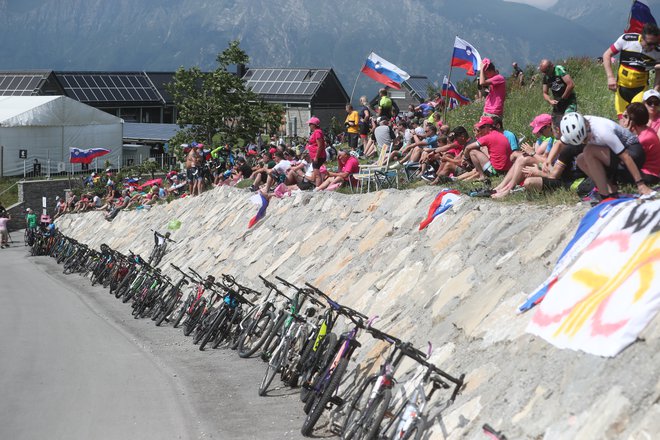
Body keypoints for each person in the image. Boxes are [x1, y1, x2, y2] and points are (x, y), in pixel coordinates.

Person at [565, 112, 652, 199]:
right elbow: (560, 144)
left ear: (587, 126)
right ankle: (611, 191)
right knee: (581, 159)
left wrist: (640, 184)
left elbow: (626, 156)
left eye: (585, 139)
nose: (584, 142)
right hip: (615, 155)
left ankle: (604, 195)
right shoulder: (579, 124)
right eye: (581, 142)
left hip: (633, 153)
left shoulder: (603, 131)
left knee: (588, 150)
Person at [603, 23, 660, 118]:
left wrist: (655, 91)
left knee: (634, 118)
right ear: (642, 38)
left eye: (655, 43)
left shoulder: (657, 51)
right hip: (621, 89)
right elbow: (606, 55)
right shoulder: (626, 39)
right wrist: (610, 77)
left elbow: (659, 72)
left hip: (640, 89)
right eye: (649, 44)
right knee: (623, 121)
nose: (652, 47)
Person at [462, 116, 512, 181]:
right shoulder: (500, 134)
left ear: (489, 127)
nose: (480, 130)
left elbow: (468, 148)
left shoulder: (488, 137)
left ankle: (482, 176)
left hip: (495, 172)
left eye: (482, 127)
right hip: (506, 171)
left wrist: (465, 159)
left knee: (473, 151)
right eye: (479, 128)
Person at [622, 103, 660, 185]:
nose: (623, 119)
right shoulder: (648, 130)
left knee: (614, 168)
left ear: (632, 120)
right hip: (650, 173)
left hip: (648, 175)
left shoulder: (643, 139)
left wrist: (626, 131)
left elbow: (624, 155)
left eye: (626, 117)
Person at [305, 117, 326, 187]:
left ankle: (318, 189)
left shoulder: (317, 132)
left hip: (318, 156)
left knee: (317, 174)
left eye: (310, 124)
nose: (309, 126)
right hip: (315, 155)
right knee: (316, 173)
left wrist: (316, 157)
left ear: (314, 124)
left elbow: (320, 145)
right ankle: (317, 187)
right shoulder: (315, 132)